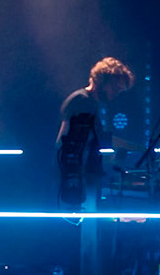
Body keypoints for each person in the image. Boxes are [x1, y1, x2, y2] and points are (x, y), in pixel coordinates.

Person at [56, 56, 135, 205]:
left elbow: (99, 138)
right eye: (116, 88)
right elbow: (63, 140)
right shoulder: (82, 101)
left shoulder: (89, 102)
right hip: (74, 178)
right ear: (103, 81)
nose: (116, 93)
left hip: (78, 176)